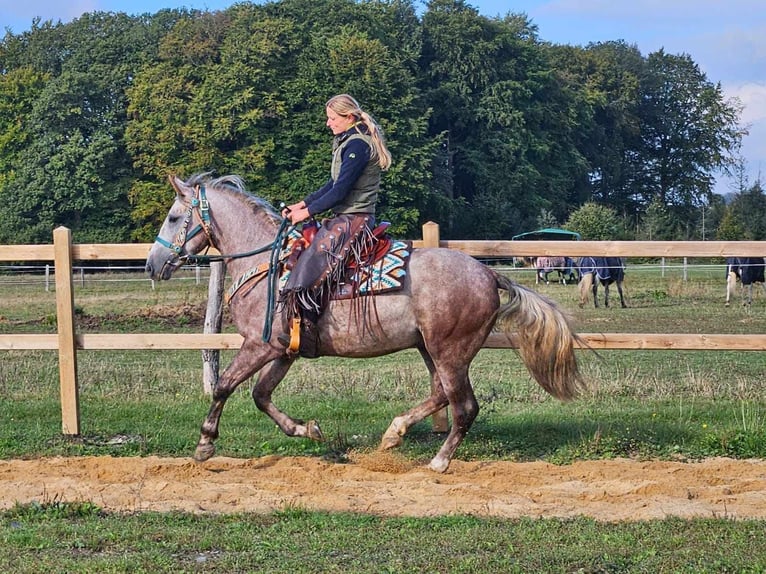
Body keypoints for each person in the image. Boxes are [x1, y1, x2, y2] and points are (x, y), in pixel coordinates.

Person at [278, 94, 392, 357]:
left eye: (332, 118)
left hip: (355, 219)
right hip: (345, 218)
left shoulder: (358, 146)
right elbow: (331, 184)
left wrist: (305, 212)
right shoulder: (349, 142)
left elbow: (340, 191)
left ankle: (308, 331)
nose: (328, 124)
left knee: (308, 267)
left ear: (348, 117)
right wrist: (301, 205)